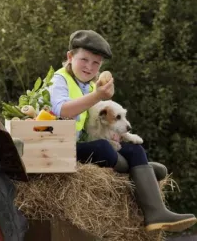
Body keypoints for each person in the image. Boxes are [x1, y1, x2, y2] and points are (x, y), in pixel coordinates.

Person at [48, 29, 196, 233]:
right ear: (70, 56)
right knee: (103, 148)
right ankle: (140, 171)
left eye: (96, 63)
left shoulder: (88, 86)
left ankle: (155, 213)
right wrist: (98, 96)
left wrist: (100, 98)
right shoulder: (60, 80)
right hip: (58, 148)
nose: (89, 67)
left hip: (77, 143)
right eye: (84, 59)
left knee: (135, 149)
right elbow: (62, 109)